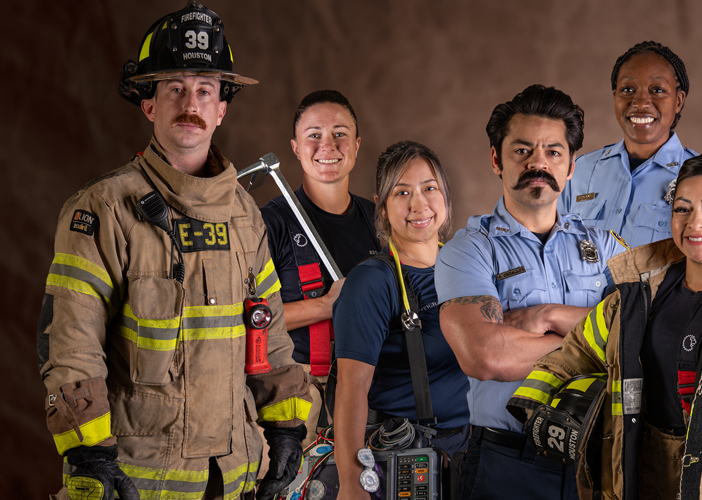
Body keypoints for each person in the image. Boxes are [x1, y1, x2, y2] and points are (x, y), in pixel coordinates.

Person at [37, 4, 310, 499]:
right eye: (175, 89)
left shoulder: (245, 217)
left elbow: (269, 333)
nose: (192, 102)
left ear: (221, 108)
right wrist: (90, 453)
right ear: (149, 105)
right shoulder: (104, 208)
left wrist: (287, 428)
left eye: (205, 90)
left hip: (232, 477)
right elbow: (73, 343)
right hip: (134, 480)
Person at [510, 152, 702, 500]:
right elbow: (577, 352)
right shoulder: (633, 298)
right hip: (634, 477)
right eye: (682, 208)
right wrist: (532, 408)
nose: (695, 222)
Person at [436, 84, 626, 500]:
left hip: (597, 463)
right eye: (522, 151)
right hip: (507, 464)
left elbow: (642, 335)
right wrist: (597, 345)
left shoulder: (607, 247)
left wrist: (551, 316)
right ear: (495, 160)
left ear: (572, 165)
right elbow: (486, 354)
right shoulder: (467, 251)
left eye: (553, 152)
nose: (538, 163)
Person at [331, 141, 470, 500]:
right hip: (407, 458)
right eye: (402, 192)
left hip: (471, 452)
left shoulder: (467, 269)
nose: (418, 204)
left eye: (429, 189)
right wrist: (351, 482)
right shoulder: (373, 281)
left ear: (445, 198)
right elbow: (351, 387)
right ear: (382, 207)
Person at [261, 90, 379, 442]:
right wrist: (326, 305)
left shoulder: (380, 221)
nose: (328, 145)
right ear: (296, 147)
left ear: (357, 145)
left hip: (372, 386)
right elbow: (250, 316)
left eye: (340, 134)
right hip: (297, 392)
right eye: (314, 135)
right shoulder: (272, 223)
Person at [560, 41, 697, 247]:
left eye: (657, 90)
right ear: (615, 96)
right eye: (628, 89)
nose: (641, 102)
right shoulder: (578, 172)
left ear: (678, 101)